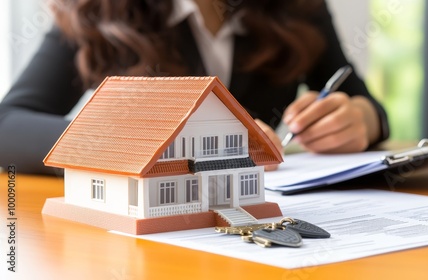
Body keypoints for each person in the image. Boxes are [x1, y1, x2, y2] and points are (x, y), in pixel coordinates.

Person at [0, 0, 389, 175]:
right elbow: (8, 127)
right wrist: (156, 138)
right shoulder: (95, 9)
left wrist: (362, 120)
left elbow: (362, 102)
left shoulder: (298, 7)